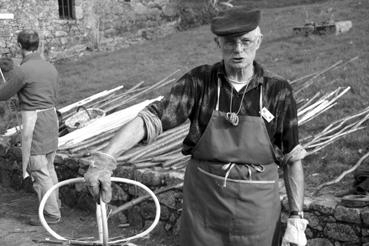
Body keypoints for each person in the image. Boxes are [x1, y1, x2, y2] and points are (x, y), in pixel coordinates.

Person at [83, 7, 308, 246]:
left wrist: (296, 218)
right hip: (204, 207)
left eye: (246, 41)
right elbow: (152, 119)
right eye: (230, 42)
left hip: (257, 212)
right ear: (217, 42)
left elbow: (292, 157)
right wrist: (106, 158)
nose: (239, 50)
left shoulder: (277, 91)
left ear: (259, 41)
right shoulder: (200, 82)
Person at [0, 30, 61, 225]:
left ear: (19, 46)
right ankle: (54, 206)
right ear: (38, 45)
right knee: (49, 167)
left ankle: (51, 214)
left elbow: (3, 94)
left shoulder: (22, 70)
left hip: (35, 121)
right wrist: (22, 102)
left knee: (38, 169)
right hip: (51, 116)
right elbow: (42, 93)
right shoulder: (50, 67)